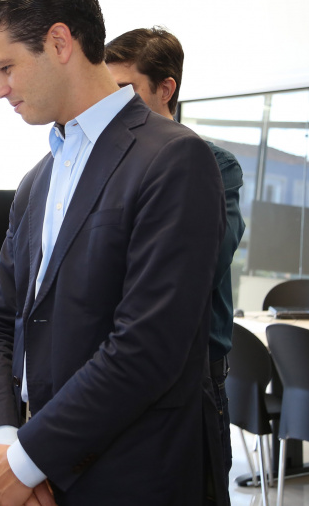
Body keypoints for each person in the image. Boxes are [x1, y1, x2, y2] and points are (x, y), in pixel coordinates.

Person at [0, 0, 225, 505]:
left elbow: (147, 348)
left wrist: (27, 459)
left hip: (132, 478)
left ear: (60, 42)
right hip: (39, 471)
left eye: (5, 67)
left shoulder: (174, 159)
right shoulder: (38, 180)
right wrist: (3, 439)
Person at [105, 26, 246, 504]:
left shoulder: (212, 163)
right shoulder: (106, 167)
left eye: (126, 90)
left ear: (165, 89)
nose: (113, 104)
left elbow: (199, 262)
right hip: (123, 361)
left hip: (195, 369)